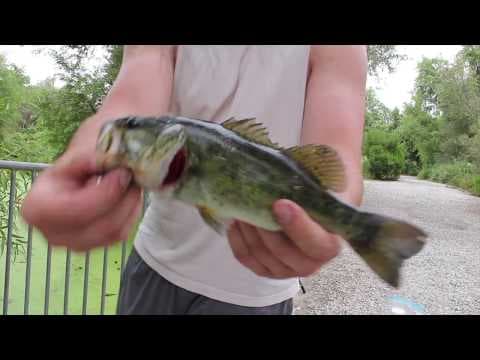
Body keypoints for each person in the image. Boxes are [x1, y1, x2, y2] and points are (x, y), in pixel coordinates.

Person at [22, 45, 367, 315]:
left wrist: (333, 216)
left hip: (258, 295)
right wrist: (89, 151)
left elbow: (337, 154)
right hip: (155, 264)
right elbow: (139, 80)